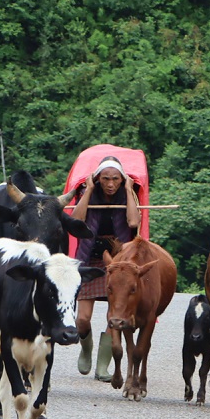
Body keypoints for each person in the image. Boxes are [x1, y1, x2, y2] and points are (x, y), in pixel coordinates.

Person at [71, 156, 140, 380]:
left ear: (122, 179)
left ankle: (103, 366)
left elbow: (132, 223)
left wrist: (129, 190)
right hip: (89, 258)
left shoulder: (127, 194)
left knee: (116, 315)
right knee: (82, 319)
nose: (110, 184)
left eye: (115, 179)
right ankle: (86, 349)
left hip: (118, 262)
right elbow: (76, 221)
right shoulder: (89, 193)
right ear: (98, 179)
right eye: (105, 179)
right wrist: (89, 190)